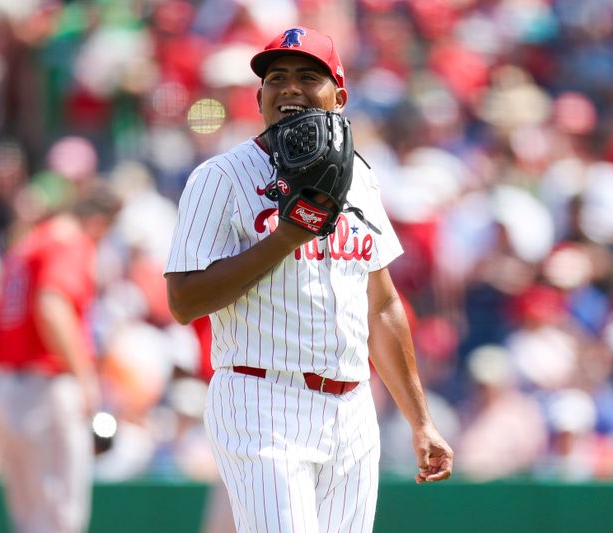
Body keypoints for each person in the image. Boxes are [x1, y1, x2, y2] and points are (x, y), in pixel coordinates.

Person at [165, 26, 453, 532]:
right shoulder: (221, 177)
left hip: (352, 409)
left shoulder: (360, 177)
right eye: (276, 78)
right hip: (262, 398)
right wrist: (285, 239)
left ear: (339, 97)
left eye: (307, 76)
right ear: (259, 98)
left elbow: (382, 305)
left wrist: (420, 420)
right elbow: (184, 300)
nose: (290, 88)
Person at [0, 181, 121, 533]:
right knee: (59, 520)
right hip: (47, 391)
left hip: (9, 390)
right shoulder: (70, 242)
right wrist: (84, 378)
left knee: (30, 520)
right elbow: (52, 304)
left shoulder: (28, 244)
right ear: (99, 222)